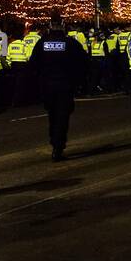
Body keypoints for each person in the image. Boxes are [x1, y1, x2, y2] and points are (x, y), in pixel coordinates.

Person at [27, 11, 84, 161]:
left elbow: (33, 65)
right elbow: (84, 62)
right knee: (62, 116)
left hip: (47, 85)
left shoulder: (42, 43)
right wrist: (77, 81)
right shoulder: (70, 43)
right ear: (63, 26)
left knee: (52, 115)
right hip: (65, 85)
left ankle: (55, 143)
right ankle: (58, 146)